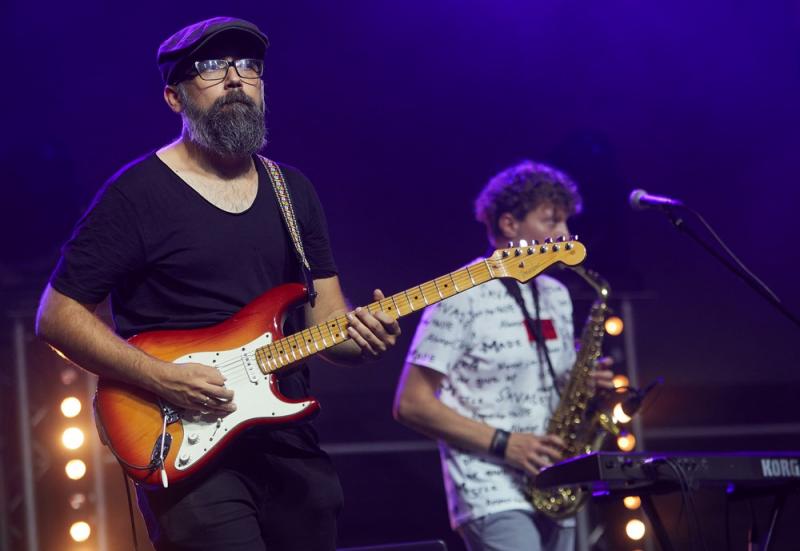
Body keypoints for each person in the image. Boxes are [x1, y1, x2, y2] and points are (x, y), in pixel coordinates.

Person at [35, 17, 400, 551]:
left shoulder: (293, 191)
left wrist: (363, 337)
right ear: (174, 97)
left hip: (288, 439)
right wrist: (162, 378)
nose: (235, 78)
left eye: (249, 66)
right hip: (188, 446)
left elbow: (327, 322)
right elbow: (57, 315)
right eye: (211, 67)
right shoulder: (135, 196)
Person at [393, 160, 614, 551]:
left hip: (555, 478)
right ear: (509, 224)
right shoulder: (459, 295)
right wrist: (505, 444)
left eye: (566, 221)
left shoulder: (557, 295)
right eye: (551, 220)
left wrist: (581, 381)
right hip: (490, 488)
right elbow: (411, 404)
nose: (565, 234)